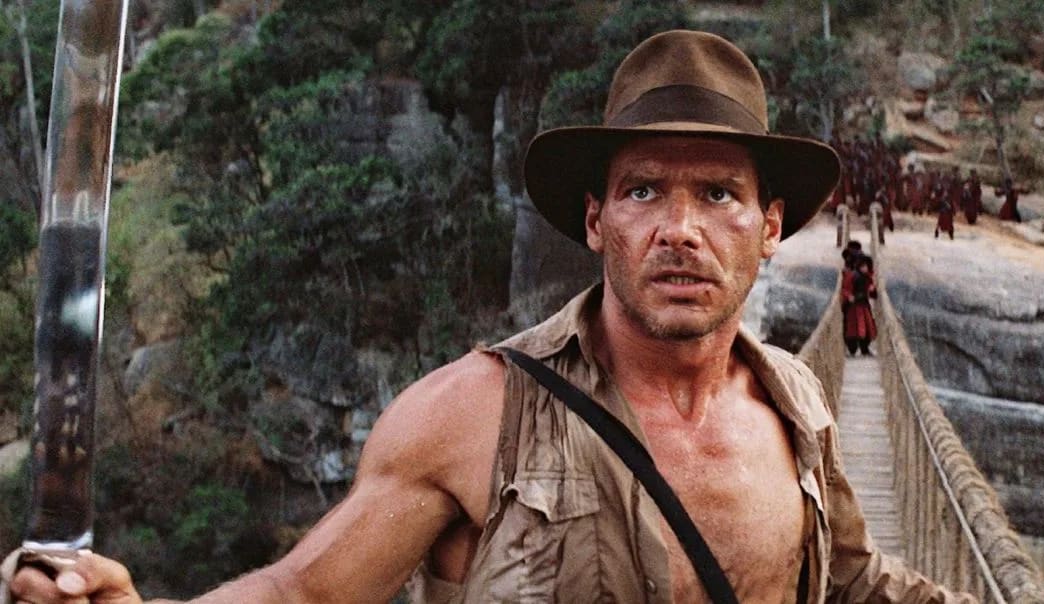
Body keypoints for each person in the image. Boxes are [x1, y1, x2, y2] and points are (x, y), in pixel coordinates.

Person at [8, 30, 974, 604]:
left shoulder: (797, 401)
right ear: (596, 221)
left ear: (768, 228)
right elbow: (303, 591)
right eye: (642, 190)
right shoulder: (473, 415)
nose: (680, 230)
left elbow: (849, 581)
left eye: (718, 194)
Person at [842, 253, 877, 356]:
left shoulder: (867, 277)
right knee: (854, 329)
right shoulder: (853, 276)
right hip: (854, 306)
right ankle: (853, 350)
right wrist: (849, 296)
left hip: (863, 305)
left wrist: (871, 290)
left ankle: (864, 349)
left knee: (866, 328)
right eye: (864, 266)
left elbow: (872, 293)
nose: (865, 268)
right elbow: (845, 289)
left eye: (866, 266)